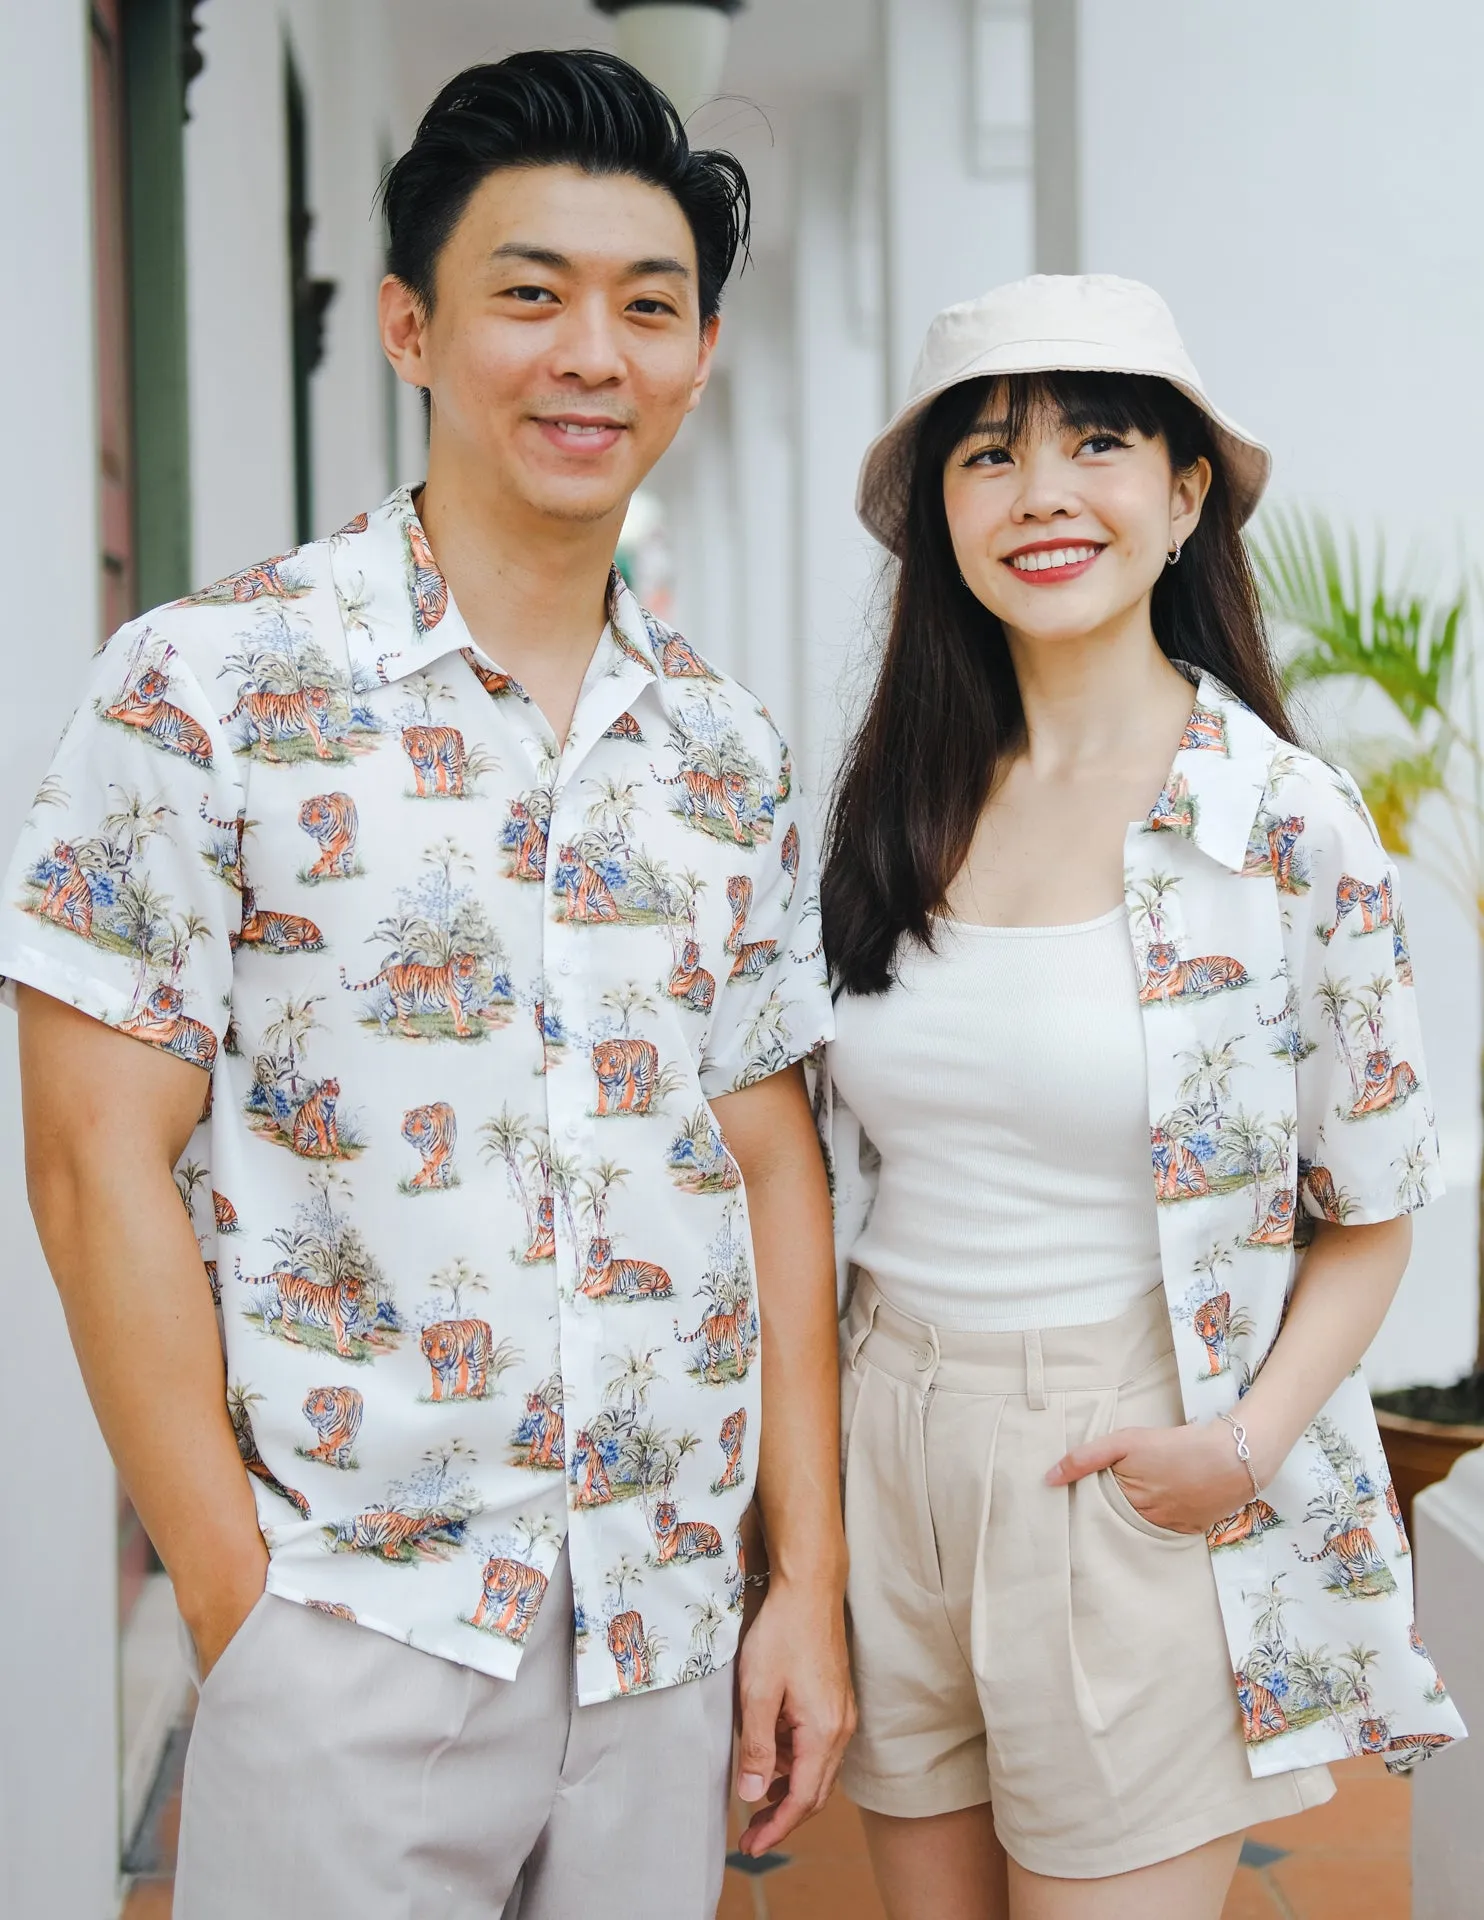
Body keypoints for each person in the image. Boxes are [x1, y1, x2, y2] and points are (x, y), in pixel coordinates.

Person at [2, 50, 851, 1919]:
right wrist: (246, 1609)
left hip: (662, 1627)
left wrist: (807, 1586)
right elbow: (89, 1162)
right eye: (528, 294)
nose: (592, 354)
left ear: (699, 357)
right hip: (351, 1619)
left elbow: (772, 1166)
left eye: (649, 308)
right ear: (408, 324)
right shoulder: (203, 683)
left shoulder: (724, 748)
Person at [817, 273, 1465, 1918]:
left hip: (1124, 1453)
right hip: (889, 1428)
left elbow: (1373, 1213)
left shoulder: (1284, 824)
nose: (1040, 493)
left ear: (1183, 496)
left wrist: (1236, 1450)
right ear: (939, 516)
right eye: (986, 454)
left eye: (1096, 443)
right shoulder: (897, 799)